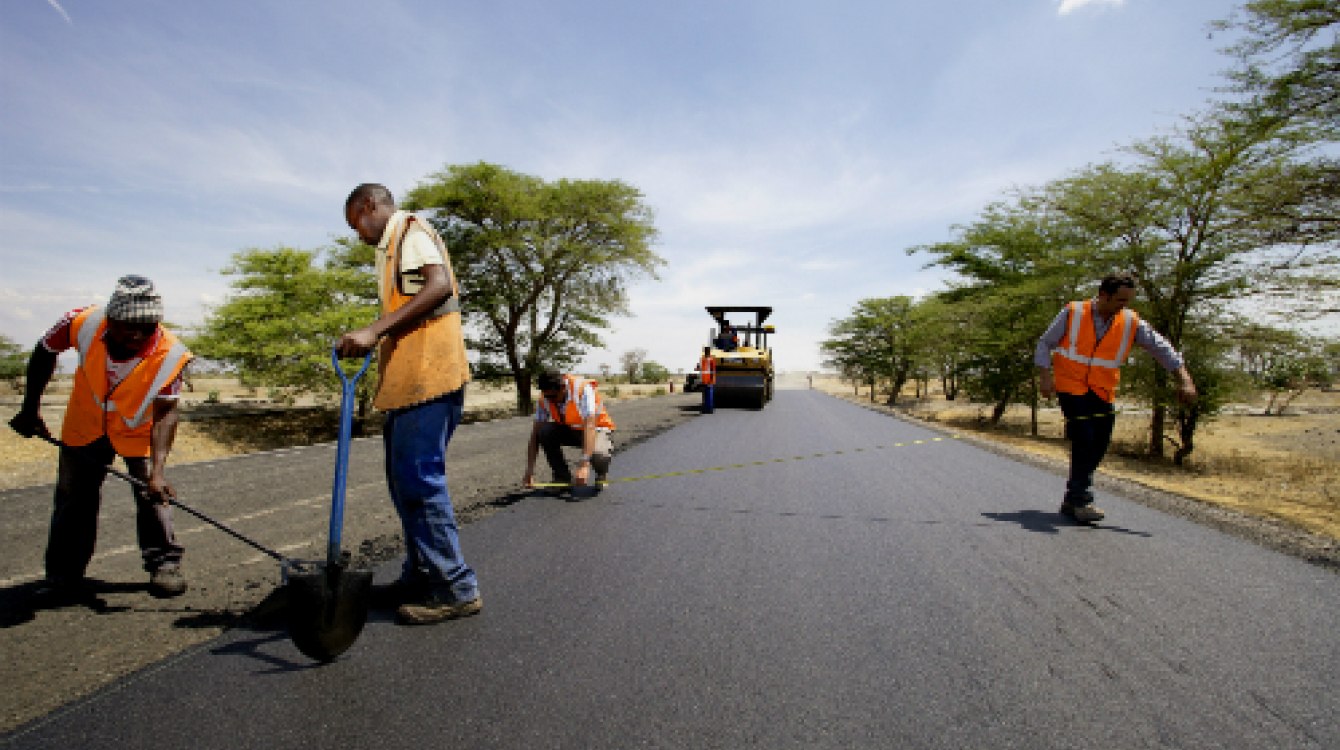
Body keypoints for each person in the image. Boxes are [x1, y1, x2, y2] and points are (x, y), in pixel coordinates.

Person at [336, 183, 479, 626]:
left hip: (428, 377)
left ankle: (454, 587)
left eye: (355, 223)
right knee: (402, 484)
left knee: (419, 482)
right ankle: (421, 575)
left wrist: (374, 331)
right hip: (408, 381)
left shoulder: (409, 229)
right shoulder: (393, 246)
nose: (358, 234)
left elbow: (438, 286)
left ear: (368, 206)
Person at [9, 276, 192, 600]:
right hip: (85, 423)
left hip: (137, 429)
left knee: (153, 496)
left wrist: (158, 472)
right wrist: (29, 409)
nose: (137, 335)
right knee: (73, 498)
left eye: (147, 327)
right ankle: (63, 577)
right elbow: (43, 352)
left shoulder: (170, 354)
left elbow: (166, 412)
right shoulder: (80, 322)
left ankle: (164, 565)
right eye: (127, 327)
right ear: (111, 320)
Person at [1037, 272, 1197, 523]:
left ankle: (1073, 497)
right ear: (1103, 295)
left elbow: (1161, 347)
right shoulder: (1074, 313)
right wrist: (1045, 377)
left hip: (1102, 390)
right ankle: (1081, 500)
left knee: (1100, 443)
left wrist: (1184, 379)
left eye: (1128, 300)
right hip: (1071, 387)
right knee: (1085, 439)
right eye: (1121, 300)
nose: (1125, 306)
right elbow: (1045, 343)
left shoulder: (1130, 321)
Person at [523, 369, 617, 497]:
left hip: (597, 430)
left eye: (553, 397)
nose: (551, 400)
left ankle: (602, 473)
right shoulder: (545, 398)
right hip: (571, 431)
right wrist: (530, 470)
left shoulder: (583, 389)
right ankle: (563, 479)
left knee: (599, 454)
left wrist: (584, 465)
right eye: (546, 396)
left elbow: (590, 425)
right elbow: (534, 435)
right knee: (544, 431)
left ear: (563, 387)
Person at [698, 346, 716, 414]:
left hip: (709, 381)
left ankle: (710, 409)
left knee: (709, 395)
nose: (705, 353)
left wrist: (710, 381)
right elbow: (702, 370)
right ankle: (706, 408)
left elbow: (712, 371)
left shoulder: (711, 360)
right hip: (705, 381)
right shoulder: (703, 360)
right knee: (706, 395)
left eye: (706, 351)